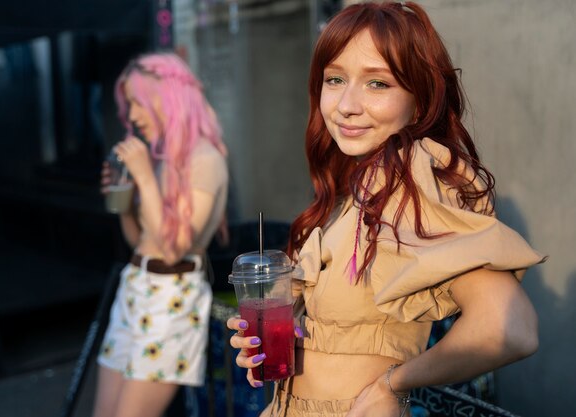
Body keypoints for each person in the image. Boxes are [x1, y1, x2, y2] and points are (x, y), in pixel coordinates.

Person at [227, 2, 546, 417]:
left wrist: (393, 383)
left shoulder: (414, 178)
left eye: (377, 84)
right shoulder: (353, 189)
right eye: (335, 79)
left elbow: (511, 329)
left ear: (420, 97)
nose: (346, 104)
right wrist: (268, 340)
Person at [93, 53, 229, 417]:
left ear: (166, 96)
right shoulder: (160, 158)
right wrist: (124, 199)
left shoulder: (205, 159)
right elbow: (139, 239)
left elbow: (175, 249)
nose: (133, 116)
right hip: (135, 286)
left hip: (171, 297)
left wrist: (145, 179)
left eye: (137, 102)